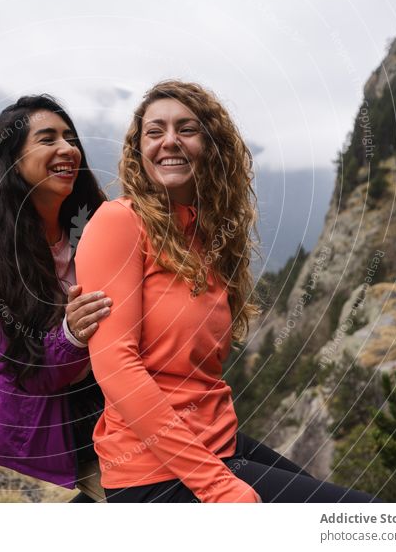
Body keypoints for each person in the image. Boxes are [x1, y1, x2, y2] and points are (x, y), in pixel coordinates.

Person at [75, 80, 380, 503]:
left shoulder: (208, 235)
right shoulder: (119, 223)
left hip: (219, 443)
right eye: (154, 131)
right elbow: (116, 366)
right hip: (154, 471)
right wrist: (217, 486)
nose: (169, 141)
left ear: (212, 144)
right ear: (138, 149)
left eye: (187, 128)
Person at [0, 95, 108, 500]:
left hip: (117, 380)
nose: (67, 148)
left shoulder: (97, 220)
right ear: (13, 162)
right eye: (47, 139)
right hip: (64, 411)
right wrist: (72, 334)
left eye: (70, 136)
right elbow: (28, 370)